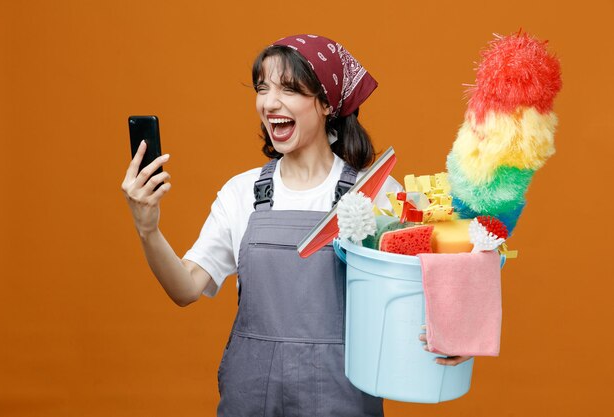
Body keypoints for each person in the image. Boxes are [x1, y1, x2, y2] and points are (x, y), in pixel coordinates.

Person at [121, 34, 472, 417]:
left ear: (325, 103)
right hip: (250, 399)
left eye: (288, 89)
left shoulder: (374, 193)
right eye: (262, 88)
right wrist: (148, 229)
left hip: (343, 400)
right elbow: (185, 288)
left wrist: (454, 329)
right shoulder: (242, 194)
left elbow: (424, 285)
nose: (270, 103)